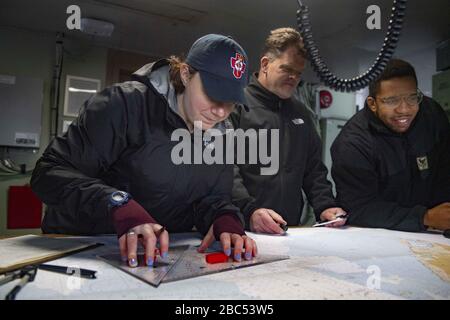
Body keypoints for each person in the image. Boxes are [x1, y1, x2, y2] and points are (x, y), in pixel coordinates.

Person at [31, 34, 257, 267]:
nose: (221, 112)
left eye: (230, 101)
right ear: (186, 74)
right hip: (83, 247)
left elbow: (211, 198)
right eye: (213, 94)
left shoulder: (222, 133)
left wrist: (224, 217)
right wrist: (117, 204)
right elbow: (48, 172)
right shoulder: (124, 105)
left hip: (154, 257)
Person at [230, 27, 346, 235]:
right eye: (287, 69)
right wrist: (249, 211)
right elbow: (225, 170)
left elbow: (313, 170)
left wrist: (325, 206)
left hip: (289, 230)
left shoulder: (302, 113)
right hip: (241, 228)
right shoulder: (235, 105)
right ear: (265, 64)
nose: (294, 78)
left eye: (298, 73)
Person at [331, 59, 450, 232]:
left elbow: (445, 171)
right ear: (373, 104)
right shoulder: (353, 143)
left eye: (411, 98)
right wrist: (425, 217)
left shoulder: (431, 115)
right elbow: (359, 208)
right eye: (392, 100)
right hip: (380, 236)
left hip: (434, 233)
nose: (404, 110)